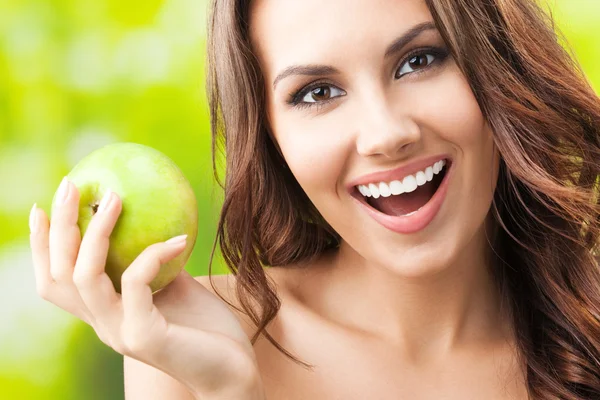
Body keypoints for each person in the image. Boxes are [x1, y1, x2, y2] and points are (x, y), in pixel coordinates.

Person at [29, 0, 600, 398]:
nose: (385, 133)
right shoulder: (190, 339)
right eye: (317, 92)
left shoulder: (587, 327)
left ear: (496, 65)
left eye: (419, 60)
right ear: (271, 138)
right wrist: (229, 390)